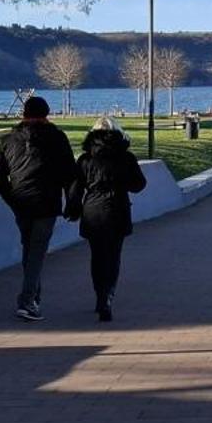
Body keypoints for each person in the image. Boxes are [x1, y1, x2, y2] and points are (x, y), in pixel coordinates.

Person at [0, 96, 77, 322]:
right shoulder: (57, 138)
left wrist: (12, 198)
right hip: (47, 202)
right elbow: (70, 174)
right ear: (47, 114)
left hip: (21, 203)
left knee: (29, 248)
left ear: (24, 114)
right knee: (36, 251)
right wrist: (72, 202)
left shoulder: (9, 140)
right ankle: (27, 300)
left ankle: (34, 297)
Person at [71, 117, 147, 323]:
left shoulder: (85, 160)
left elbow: (76, 189)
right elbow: (139, 185)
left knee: (97, 256)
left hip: (93, 211)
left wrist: (72, 209)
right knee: (114, 256)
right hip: (117, 209)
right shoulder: (126, 158)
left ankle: (99, 296)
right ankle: (108, 297)